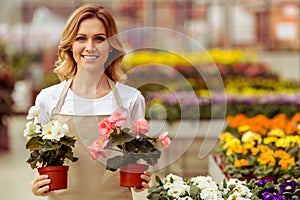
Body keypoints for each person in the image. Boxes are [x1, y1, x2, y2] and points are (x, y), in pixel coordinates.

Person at [30, 4, 151, 199]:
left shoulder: (131, 99)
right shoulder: (48, 98)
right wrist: (37, 185)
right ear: (70, 45)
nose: (90, 47)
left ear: (111, 45)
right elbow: (43, 165)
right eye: (81, 38)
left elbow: (135, 161)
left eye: (99, 39)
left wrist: (140, 180)